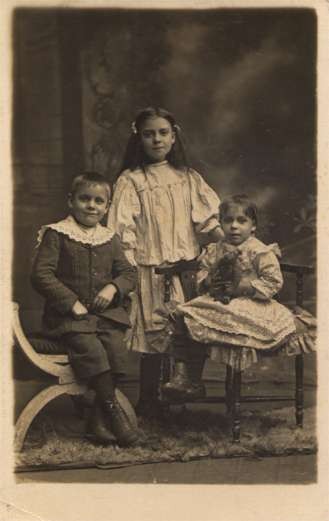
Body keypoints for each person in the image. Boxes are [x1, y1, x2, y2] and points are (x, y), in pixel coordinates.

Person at [107, 107, 223, 418]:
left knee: (184, 335)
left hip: (186, 271)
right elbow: (122, 232)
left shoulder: (188, 178)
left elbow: (208, 221)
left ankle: (177, 394)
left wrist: (232, 245)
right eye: (149, 134)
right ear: (138, 138)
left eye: (162, 133)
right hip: (151, 270)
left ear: (173, 137)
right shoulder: (131, 181)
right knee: (154, 335)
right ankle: (149, 400)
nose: (156, 139)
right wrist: (129, 272)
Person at [31, 172, 139, 446]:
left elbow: (128, 272)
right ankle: (113, 412)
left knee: (115, 347)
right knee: (89, 348)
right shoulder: (57, 234)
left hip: (103, 317)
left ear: (107, 206)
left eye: (99, 201)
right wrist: (71, 302)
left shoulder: (109, 238)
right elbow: (41, 275)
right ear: (71, 201)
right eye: (84, 199)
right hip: (70, 318)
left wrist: (113, 288)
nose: (91, 206)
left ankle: (97, 420)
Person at [162, 194, 298, 400]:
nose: (234, 226)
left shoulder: (259, 251)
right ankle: (186, 377)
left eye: (241, 221)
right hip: (217, 301)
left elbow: (273, 281)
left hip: (251, 304)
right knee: (184, 316)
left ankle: (194, 380)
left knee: (207, 320)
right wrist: (208, 281)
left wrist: (244, 287)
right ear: (221, 223)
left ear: (253, 226)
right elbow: (203, 273)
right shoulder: (215, 250)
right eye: (228, 220)